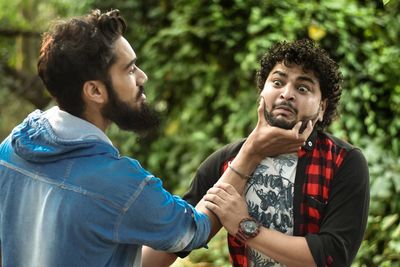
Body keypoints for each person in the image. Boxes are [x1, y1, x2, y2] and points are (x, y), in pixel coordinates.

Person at [0, 10, 314, 267]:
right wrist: (253, 150)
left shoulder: (12, 150)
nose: (142, 77)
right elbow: (194, 230)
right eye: (129, 69)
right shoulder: (119, 184)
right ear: (94, 91)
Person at [142, 39, 370, 267]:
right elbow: (177, 238)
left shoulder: (343, 162)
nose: (287, 94)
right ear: (262, 90)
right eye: (278, 82)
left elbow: (332, 257)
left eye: (303, 88)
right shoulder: (227, 161)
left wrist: (244, 226)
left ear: (322, 107)